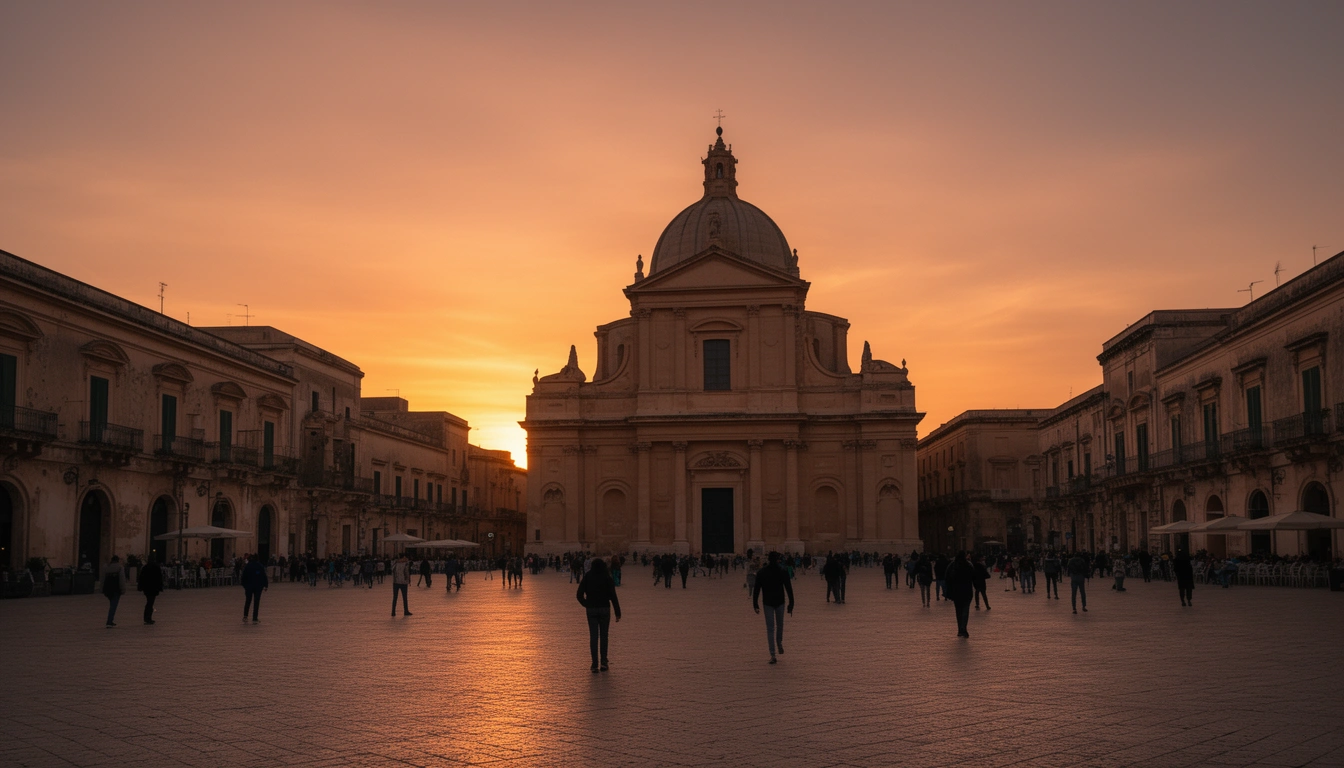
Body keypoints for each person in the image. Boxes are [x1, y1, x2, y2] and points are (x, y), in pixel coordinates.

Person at [576, 558, 621, 672]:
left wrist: (587, 604)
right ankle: (604, 663)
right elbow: (613, 596)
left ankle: (594, 664)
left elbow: (579, 595)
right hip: (605, 609)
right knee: (604, 636)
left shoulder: (588, 576)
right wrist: (617, 612)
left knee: (594, 637)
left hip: (591, 610)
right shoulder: (607, 577)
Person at [752, 552, 795, 664]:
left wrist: (755, 604)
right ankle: (779, 642)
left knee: (770, 629)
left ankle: (772, 654)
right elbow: (789, 589)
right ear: (777, 560)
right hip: (780, 601)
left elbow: (756, 589)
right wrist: (791, 603)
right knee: (780, 625)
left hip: (768, 603)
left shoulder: (762, 572)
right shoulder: (782, 571)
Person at [944, 551, 975, 638]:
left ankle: (959, 630)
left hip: (956, 592)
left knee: (958, 611)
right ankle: (963, 628)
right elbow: (974, 576)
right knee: (965, 610)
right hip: (967, 591)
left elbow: (946, 577)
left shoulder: (952, 565)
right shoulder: (968, 565)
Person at [241, 553, 268, 623]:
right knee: (256, 602)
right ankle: (254, 618)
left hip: (249, 586)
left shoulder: (248, 566)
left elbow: (243, 577)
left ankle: (245, 616)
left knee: (248, 601)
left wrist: (244, 585)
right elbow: (264, 576)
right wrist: (265, 585)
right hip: (258, 586)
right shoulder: (260, 566)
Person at [138, 556, 164, 625]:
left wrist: (140, 587)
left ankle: (148, 617)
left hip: (147, 588)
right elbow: (159, 578)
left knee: (149, 602)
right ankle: (148, 618)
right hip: (153, 588)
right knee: (150, 603)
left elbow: (141, 578)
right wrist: (160, 587)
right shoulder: (156, 567)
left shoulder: (145, 568)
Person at [101, 555, 124, 627]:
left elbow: (102, 578)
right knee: (113, 606)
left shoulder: (106, 567)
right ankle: (109, 621)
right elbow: (122, 579)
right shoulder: (120, 567)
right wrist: (123, 589)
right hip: (116, 588)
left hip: (107, 588)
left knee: (112, 604)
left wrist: (101, 588)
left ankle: (110, 620)